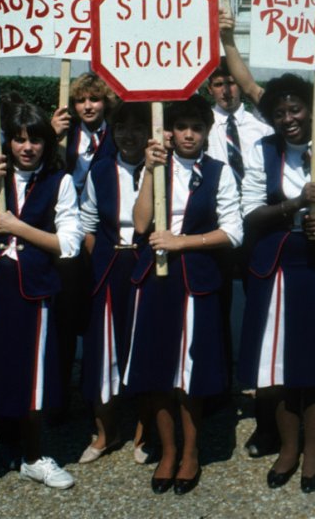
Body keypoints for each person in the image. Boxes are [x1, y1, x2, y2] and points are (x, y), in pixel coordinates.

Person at [237, 74, 315, 494]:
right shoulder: (263, 151)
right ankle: (287, 448)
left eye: (295, 109)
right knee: (280, 363)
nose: (288, 119)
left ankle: (312, 449)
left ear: (312, 109)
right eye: (279, 112)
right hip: (276, 264)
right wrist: (293, 204)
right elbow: (250, 212)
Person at [123, 95, 242, 496]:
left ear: (207, 131)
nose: (189, 134)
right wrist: (150, 173)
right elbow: (140, 225)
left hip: (196, 279)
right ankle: (168, 451)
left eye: (197, 127)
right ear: (169, 131)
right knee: (158, 370)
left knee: (190, 373)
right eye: (181, 127)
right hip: (155, 281)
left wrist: (183, 241)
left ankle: (191, 451)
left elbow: (233, 231)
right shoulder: (156, 166)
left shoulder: (219, 173)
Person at [0, 103, 83, 489]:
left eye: (35, 139)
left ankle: (32, 455)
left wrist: (16, 226)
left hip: (33, 291)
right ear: (8, 141)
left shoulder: (59, 182)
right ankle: (6, 443)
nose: (26, 147)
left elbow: (69, 244)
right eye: (19, 138)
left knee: (31, 374)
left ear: (47, 141)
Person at [78, 101, 152, 465]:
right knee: (103, 350)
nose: (129, 135)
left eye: (138, 127)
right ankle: (107, 431)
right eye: (121, 127)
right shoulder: (101, 169)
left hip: (146, 265)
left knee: (142, 346)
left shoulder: (161, 171)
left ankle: (144, 430)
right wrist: (97, 269)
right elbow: (88, 224)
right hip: (108, 268)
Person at [50, 72, 119, 422]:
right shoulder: (65, 136)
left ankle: (107, 395)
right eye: (81, 101)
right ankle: (58, 398)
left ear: (105, 102)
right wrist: (52, 137)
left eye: (94, 99)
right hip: (63, 230)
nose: (87, 106)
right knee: (62, 317)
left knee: (99, 316)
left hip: (102, 235)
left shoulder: (118, 135)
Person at [204, 60, 271, 413]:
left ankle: (262, 383)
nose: (226, 89)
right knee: (216, 304)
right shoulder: (203, 126)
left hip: (258, 225)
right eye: (218, 83)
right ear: (210, 88)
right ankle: (217, 385)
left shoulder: (260, 124)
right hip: (219, 227)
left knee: (260, 301)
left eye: (231, 82)